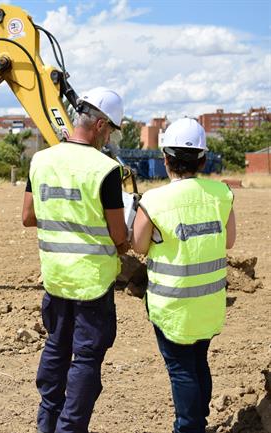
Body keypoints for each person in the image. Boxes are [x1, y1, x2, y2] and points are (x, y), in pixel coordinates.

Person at [22, 87, 129, 433]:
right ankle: (70, 428)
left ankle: (47, 423)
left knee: (56, 347)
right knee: (85, 359)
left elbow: (27, 216)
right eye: (110, 129)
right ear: (99, 125)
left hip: (56, 279)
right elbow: (117, 234)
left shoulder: (41, 160)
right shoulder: (105, 169)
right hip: (92, 284)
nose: (109, 136)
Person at [132, 118, 236, 433]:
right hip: (209, 304)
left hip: (172, 307)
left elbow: (138, 245)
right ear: (203, 160)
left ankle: (189, 427)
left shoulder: (154, 200)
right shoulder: (222, 193)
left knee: (181, 370)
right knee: (198, 361)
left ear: (165, 159)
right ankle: (197, 420)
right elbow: (228, 241)